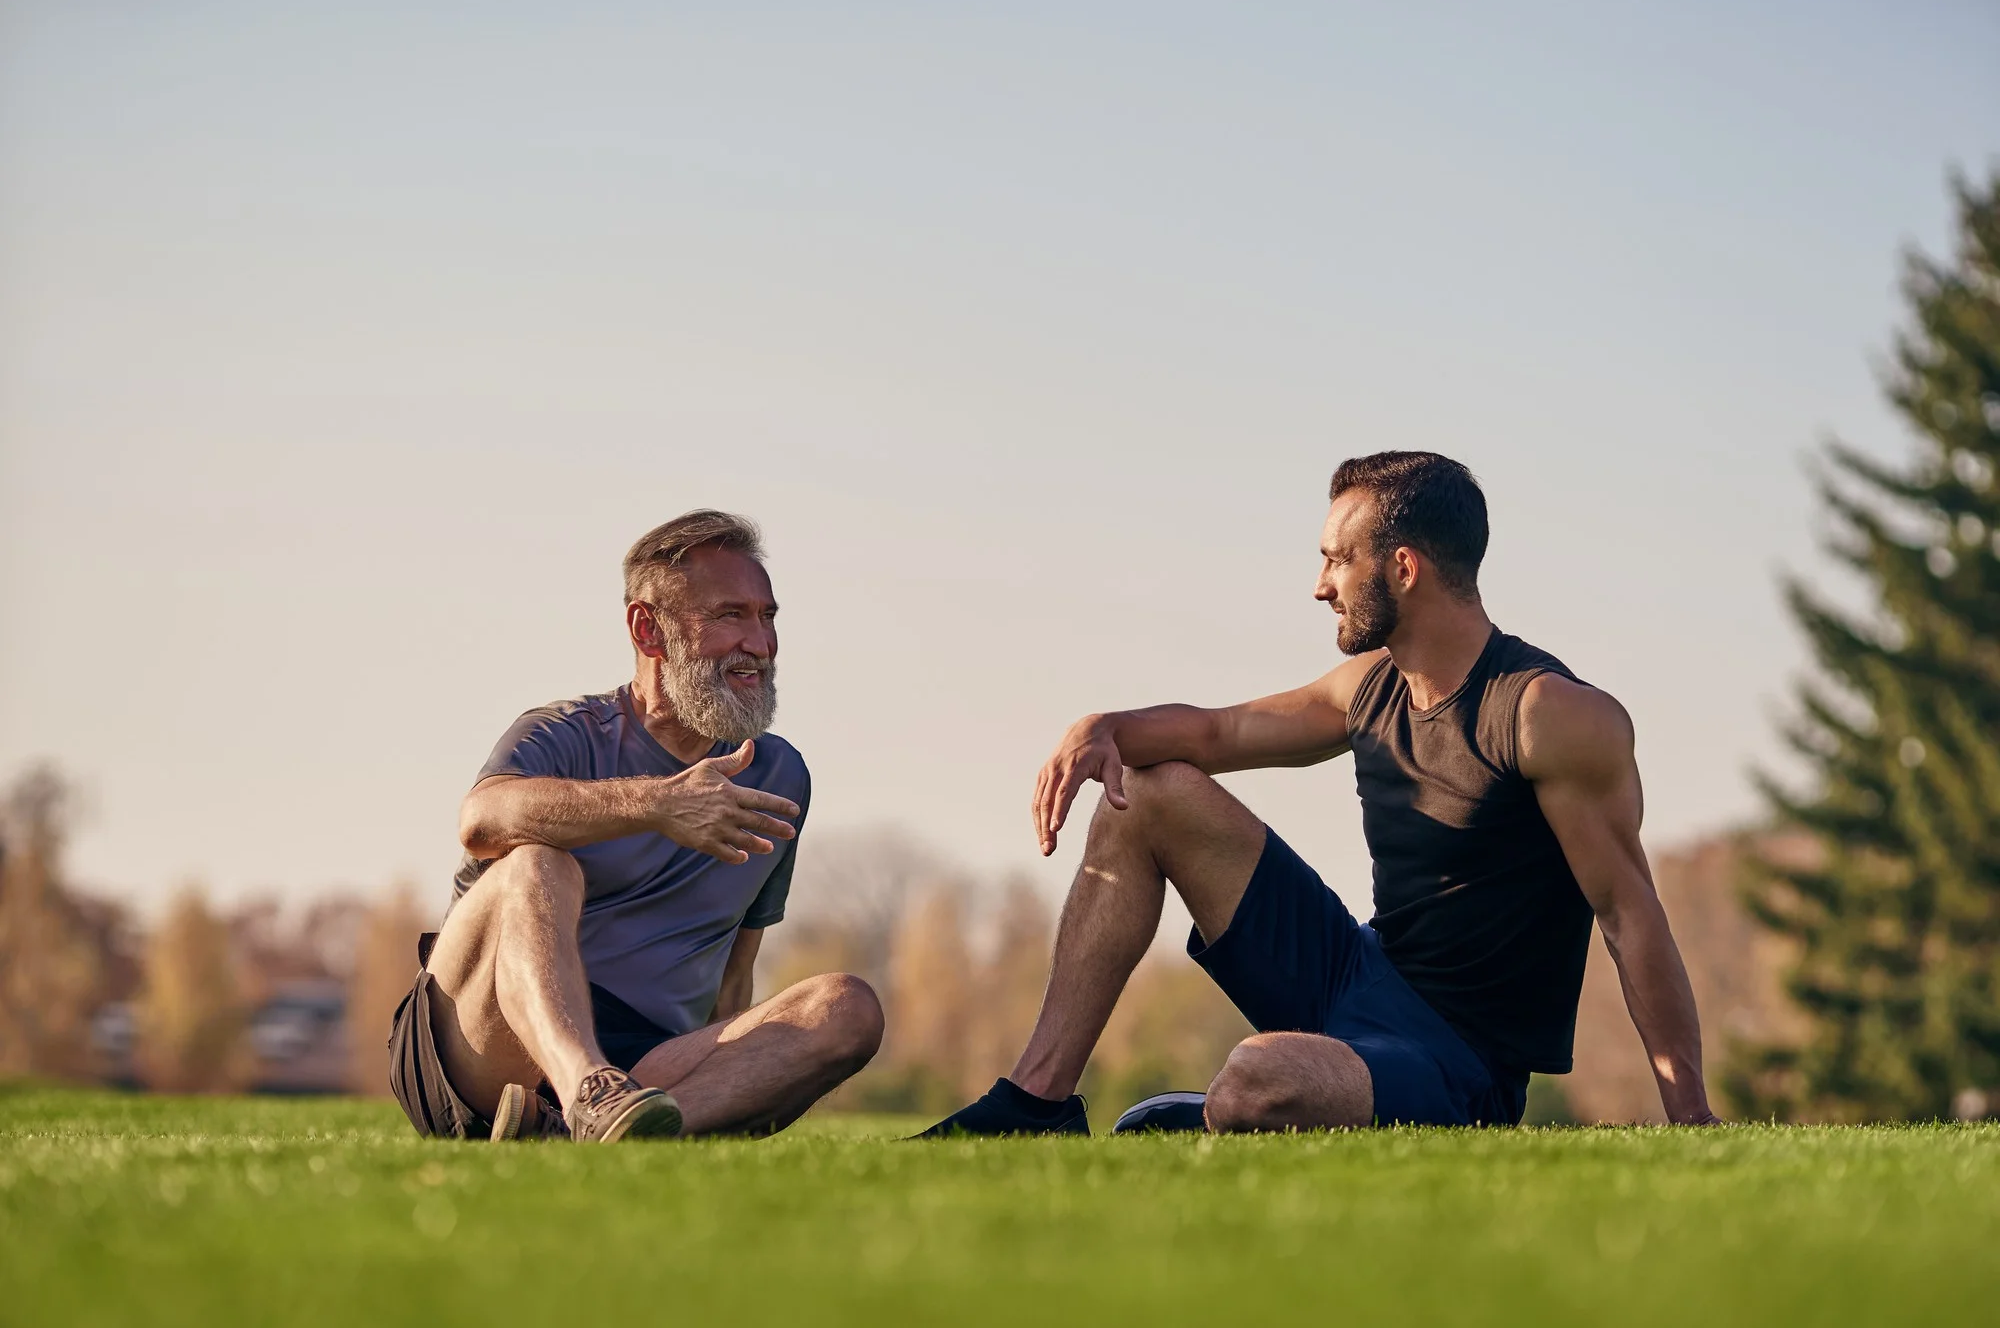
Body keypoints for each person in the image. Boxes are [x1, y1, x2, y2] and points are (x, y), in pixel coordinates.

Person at [921, 452, 1720, 1135]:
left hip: (1457, 1060)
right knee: (1155, 791)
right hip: (1356, 975)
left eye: (1338, 558)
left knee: (1254, 1079)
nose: (1319, 585)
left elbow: (1628, 914)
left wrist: (1691, 1118)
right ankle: (1036, 1102)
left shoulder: (1548, 715)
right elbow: (1217, 735)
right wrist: (1100, 727)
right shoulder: (1369, 685)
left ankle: (1228, 1110)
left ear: (1402, 567)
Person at [389, 510, 883, 1142]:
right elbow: (480, 820)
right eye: (730, 615)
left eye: (767, 617)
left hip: (650, 1062)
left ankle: (578, 1136)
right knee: (538, 863)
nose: (759, 645)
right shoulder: (560, 734)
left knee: (848, 1007)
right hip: (480, 1042)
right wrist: (658, 804)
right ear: (649, 631)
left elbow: (735, 969)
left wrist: (742, 1082)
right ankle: (585, 1091)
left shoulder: (782, 775)